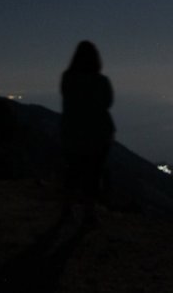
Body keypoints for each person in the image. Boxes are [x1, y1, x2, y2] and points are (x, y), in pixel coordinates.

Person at [60, 41, 114, 219]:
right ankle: (89, 212)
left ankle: (67, 209)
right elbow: (107, 103)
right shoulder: (101, 81)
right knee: (93, 173)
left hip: (73, 132)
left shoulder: (67, 78)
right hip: (98, 134)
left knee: (73, 172)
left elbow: (68, 101)